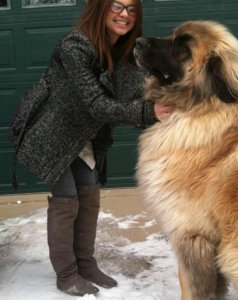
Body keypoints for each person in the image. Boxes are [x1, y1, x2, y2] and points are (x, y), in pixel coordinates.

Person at [10, 0, 170, 297]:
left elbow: (139, 90)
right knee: (67, 197)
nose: (125, 14)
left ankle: (85, 263)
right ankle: (66, 274)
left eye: (132, 9)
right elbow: (97, 104)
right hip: (52, 131)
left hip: (83, 136)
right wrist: (150, 113)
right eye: (118, 6)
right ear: (100, 8)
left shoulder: (123, 51)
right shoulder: (75, 47)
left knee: (88, 192)